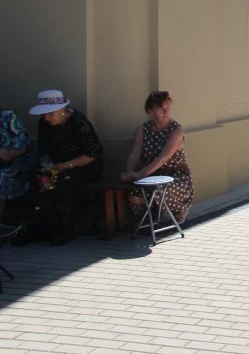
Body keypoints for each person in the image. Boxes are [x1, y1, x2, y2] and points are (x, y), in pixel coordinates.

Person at [29, 90, 103, 245]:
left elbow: (91, 154)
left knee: (62, 183)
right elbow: (43, 150)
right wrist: (46, 166)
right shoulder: (44, 123)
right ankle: (41, 227)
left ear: (61, 110)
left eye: (50, 114)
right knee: (36, 180)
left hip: (82, 166)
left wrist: (64, 166)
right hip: (57, 165)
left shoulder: (78, 122)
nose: (47, 118)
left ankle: (66, 228)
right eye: (44, 114)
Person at [120, 91, 194, 224]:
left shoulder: (176, 130)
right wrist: (129, 173)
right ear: (150, 111)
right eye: (161, 109)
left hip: (174, 175)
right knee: (131, 191)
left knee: (158, 191)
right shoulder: (142, 129)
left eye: (168, 108)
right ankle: (152, 217)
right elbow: (134, 154)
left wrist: (139, 175)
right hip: (151, 174)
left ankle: (168, 213)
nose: (166, 112)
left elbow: (163, 158)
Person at [0, 109, 35, 224]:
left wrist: (6, 152)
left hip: (15, 163)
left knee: (2, 177)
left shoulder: (8, 116)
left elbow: (22, 148)